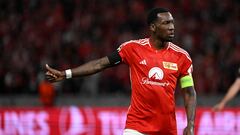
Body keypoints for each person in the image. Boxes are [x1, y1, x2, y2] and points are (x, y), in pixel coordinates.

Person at [45, 8, 197, 135]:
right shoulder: (132, 49)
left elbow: (189, 92)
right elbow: (100, 64)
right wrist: (66, 73)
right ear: (153, 27)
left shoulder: (182, 57)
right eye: (166, 23)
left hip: (167, 129)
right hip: (137, 127)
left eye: (172, 23)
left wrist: (190, 124)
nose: (172, 27)